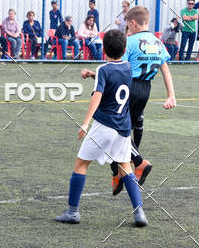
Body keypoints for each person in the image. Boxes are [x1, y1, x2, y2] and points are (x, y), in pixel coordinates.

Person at [55, 29, 147, 227]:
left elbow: (97, 95)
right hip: (123, 128)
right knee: (125, 167)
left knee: (81, 164)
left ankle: (72, 212)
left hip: (105, 125)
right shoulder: (128, 67)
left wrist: (85, 123)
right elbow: (115, 76)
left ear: (103, 49)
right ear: (124, 50)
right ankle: (139, 213)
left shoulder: (103, 69)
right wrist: (92, 74)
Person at [81, 6, 176, 195]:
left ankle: (139, 163)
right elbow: (165, 68)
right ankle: (118, 171)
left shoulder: (130, 42)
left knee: (115, 129)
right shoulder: (158, 42)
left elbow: (115, 69)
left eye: (127, 24)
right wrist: (171, 95)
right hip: (145, 89)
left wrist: (95, 75)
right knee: (126, 128)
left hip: (128, 87)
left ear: (132, 23)